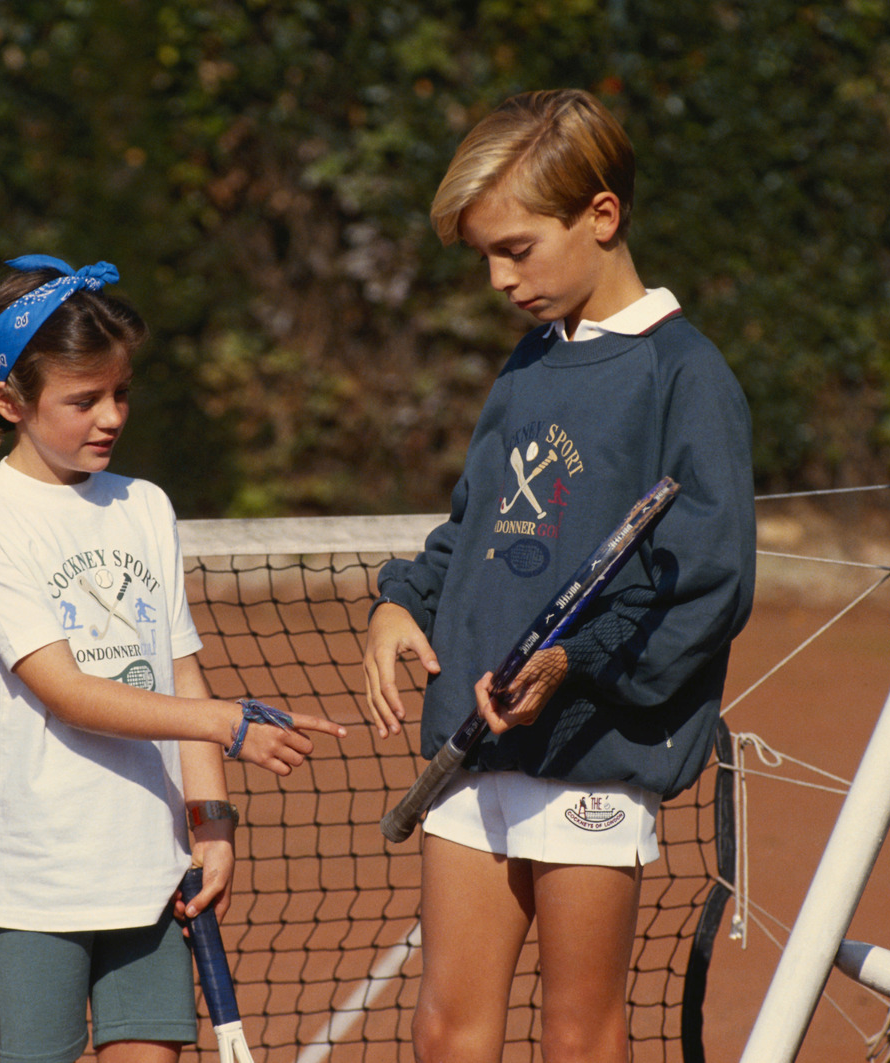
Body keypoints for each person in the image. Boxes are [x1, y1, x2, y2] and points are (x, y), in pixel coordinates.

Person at [361, 90, 756, 1063]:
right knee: (447, 1029)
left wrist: (574, 662)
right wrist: (398, 600)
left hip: (595, 754)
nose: (499, 278)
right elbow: (481, 522)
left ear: (602, 216)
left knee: (579, 1032)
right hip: (474, 741)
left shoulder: (686, 377)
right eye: (484, 256)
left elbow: (704, 581)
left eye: (517, 247)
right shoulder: (527, 367)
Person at [0, 255, 347, 1063]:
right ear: (9, 401)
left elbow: (179, 669)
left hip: (153, 874)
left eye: (120, 393)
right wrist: (229, 723)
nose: (110, 416)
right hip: (39, 879)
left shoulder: (146, 505)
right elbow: (64, 691)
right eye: (82, 399)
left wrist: (212, 820)